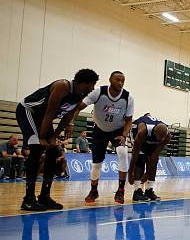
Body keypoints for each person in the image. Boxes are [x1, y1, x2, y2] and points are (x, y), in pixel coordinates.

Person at [15, 69, 98, 211]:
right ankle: (28, 199)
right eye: (92, 84)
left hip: (43, 118)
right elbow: (50, 112)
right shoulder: (62, 86)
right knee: (37, 148)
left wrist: (53, 138)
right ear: (83, 83)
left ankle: (44, 196)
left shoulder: (81, 95)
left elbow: (67, 117)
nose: (93, 88)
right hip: (28, 111)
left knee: (54, 151)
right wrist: (42, 138)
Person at [76, 71, 135, 204]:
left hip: (118, 131)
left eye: (122, 81)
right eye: (117, 80)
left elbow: (129, 120)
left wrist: (124, 135)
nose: (120, 83)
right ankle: (94, 190)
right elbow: (79, 106)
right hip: (100, 130)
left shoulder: (128, 98)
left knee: (123, 153)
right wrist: (70, 122)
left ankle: (120, 191)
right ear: (110, 80)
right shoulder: (98, 92)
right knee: (96, 164)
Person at [128, 113, 171, 202]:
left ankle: (149, 190)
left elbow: (155, 156)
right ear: (154, 133)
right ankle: (137, 191)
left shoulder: (167, 137)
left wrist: (147, 174)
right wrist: (130, 172)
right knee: (140, 159)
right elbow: (135, 154)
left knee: (153, 161)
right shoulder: (142, 131)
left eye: (160, 140)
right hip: (136, 133)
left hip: (151, 136)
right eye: (157, 138)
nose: (159, 141)